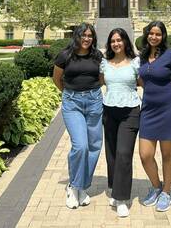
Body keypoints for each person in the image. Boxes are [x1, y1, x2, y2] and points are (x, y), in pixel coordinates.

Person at [138, 21, 171, 212]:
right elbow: (142, 80)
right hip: (149, 110)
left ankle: (166, 192)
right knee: (145, 155)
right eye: (151, 33)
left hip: (169, 109)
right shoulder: (142, 57)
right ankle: (156, 186)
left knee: (167, 154)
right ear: (147, 35)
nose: (154, 37)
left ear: (163, 36)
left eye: (158, 34)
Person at [53, 23, 103, 209]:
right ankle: (73, 186)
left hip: (94, 101)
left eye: (90, 35)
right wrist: (69, 93)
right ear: (77, 36)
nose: (87, 38)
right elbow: (57, 79)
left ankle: (82, 186)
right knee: (80, 146)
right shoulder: (65, 55)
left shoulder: (97, 56)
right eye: (83, 35)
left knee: (94, 146)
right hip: (72, 103)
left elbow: (101, 78)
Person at [99, 28, 140, 218]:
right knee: (112, 154)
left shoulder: (135, 63)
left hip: (130, 111)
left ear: (126, 42)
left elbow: (144, 83)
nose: (116, 43)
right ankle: (115, 188)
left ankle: (122, 198)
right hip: (109, 110)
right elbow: (98, 82)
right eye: (113, 41)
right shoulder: (104, 64)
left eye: (119, 40)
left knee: (124, 153)